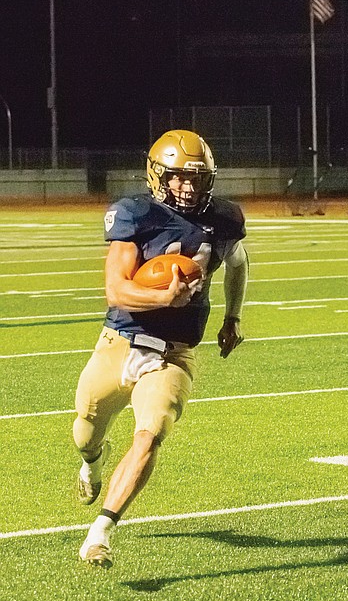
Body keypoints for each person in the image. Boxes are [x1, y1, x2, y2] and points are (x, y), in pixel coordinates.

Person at [74, 129, 249, 568]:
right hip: (121, 339)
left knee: (150, 433)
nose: (187, 186)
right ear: (157, 175)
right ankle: (93, 462)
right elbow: (117, 290)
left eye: (197, 178)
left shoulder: (225, 219)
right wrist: (161, 298)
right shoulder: (135, 213)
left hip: (175, 350)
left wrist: (233, 317)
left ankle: (101, 532)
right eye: (177, 177)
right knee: (85, 430)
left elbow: (239, 263)